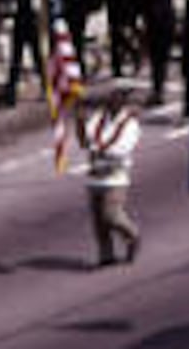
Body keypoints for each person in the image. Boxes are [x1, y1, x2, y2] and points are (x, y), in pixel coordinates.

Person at [73, 91, 139, 267]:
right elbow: (85, 141)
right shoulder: (99, 119)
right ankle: (106, 255)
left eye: (114, 101)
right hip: (95, 175)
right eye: (109, 101)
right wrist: (79, 122)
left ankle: (132, 235)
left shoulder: (130, 124)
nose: (110, 104)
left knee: (111, 215)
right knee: (98, 221)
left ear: (122, 103)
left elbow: (122, 149)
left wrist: (98, 148)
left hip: (115, 177)